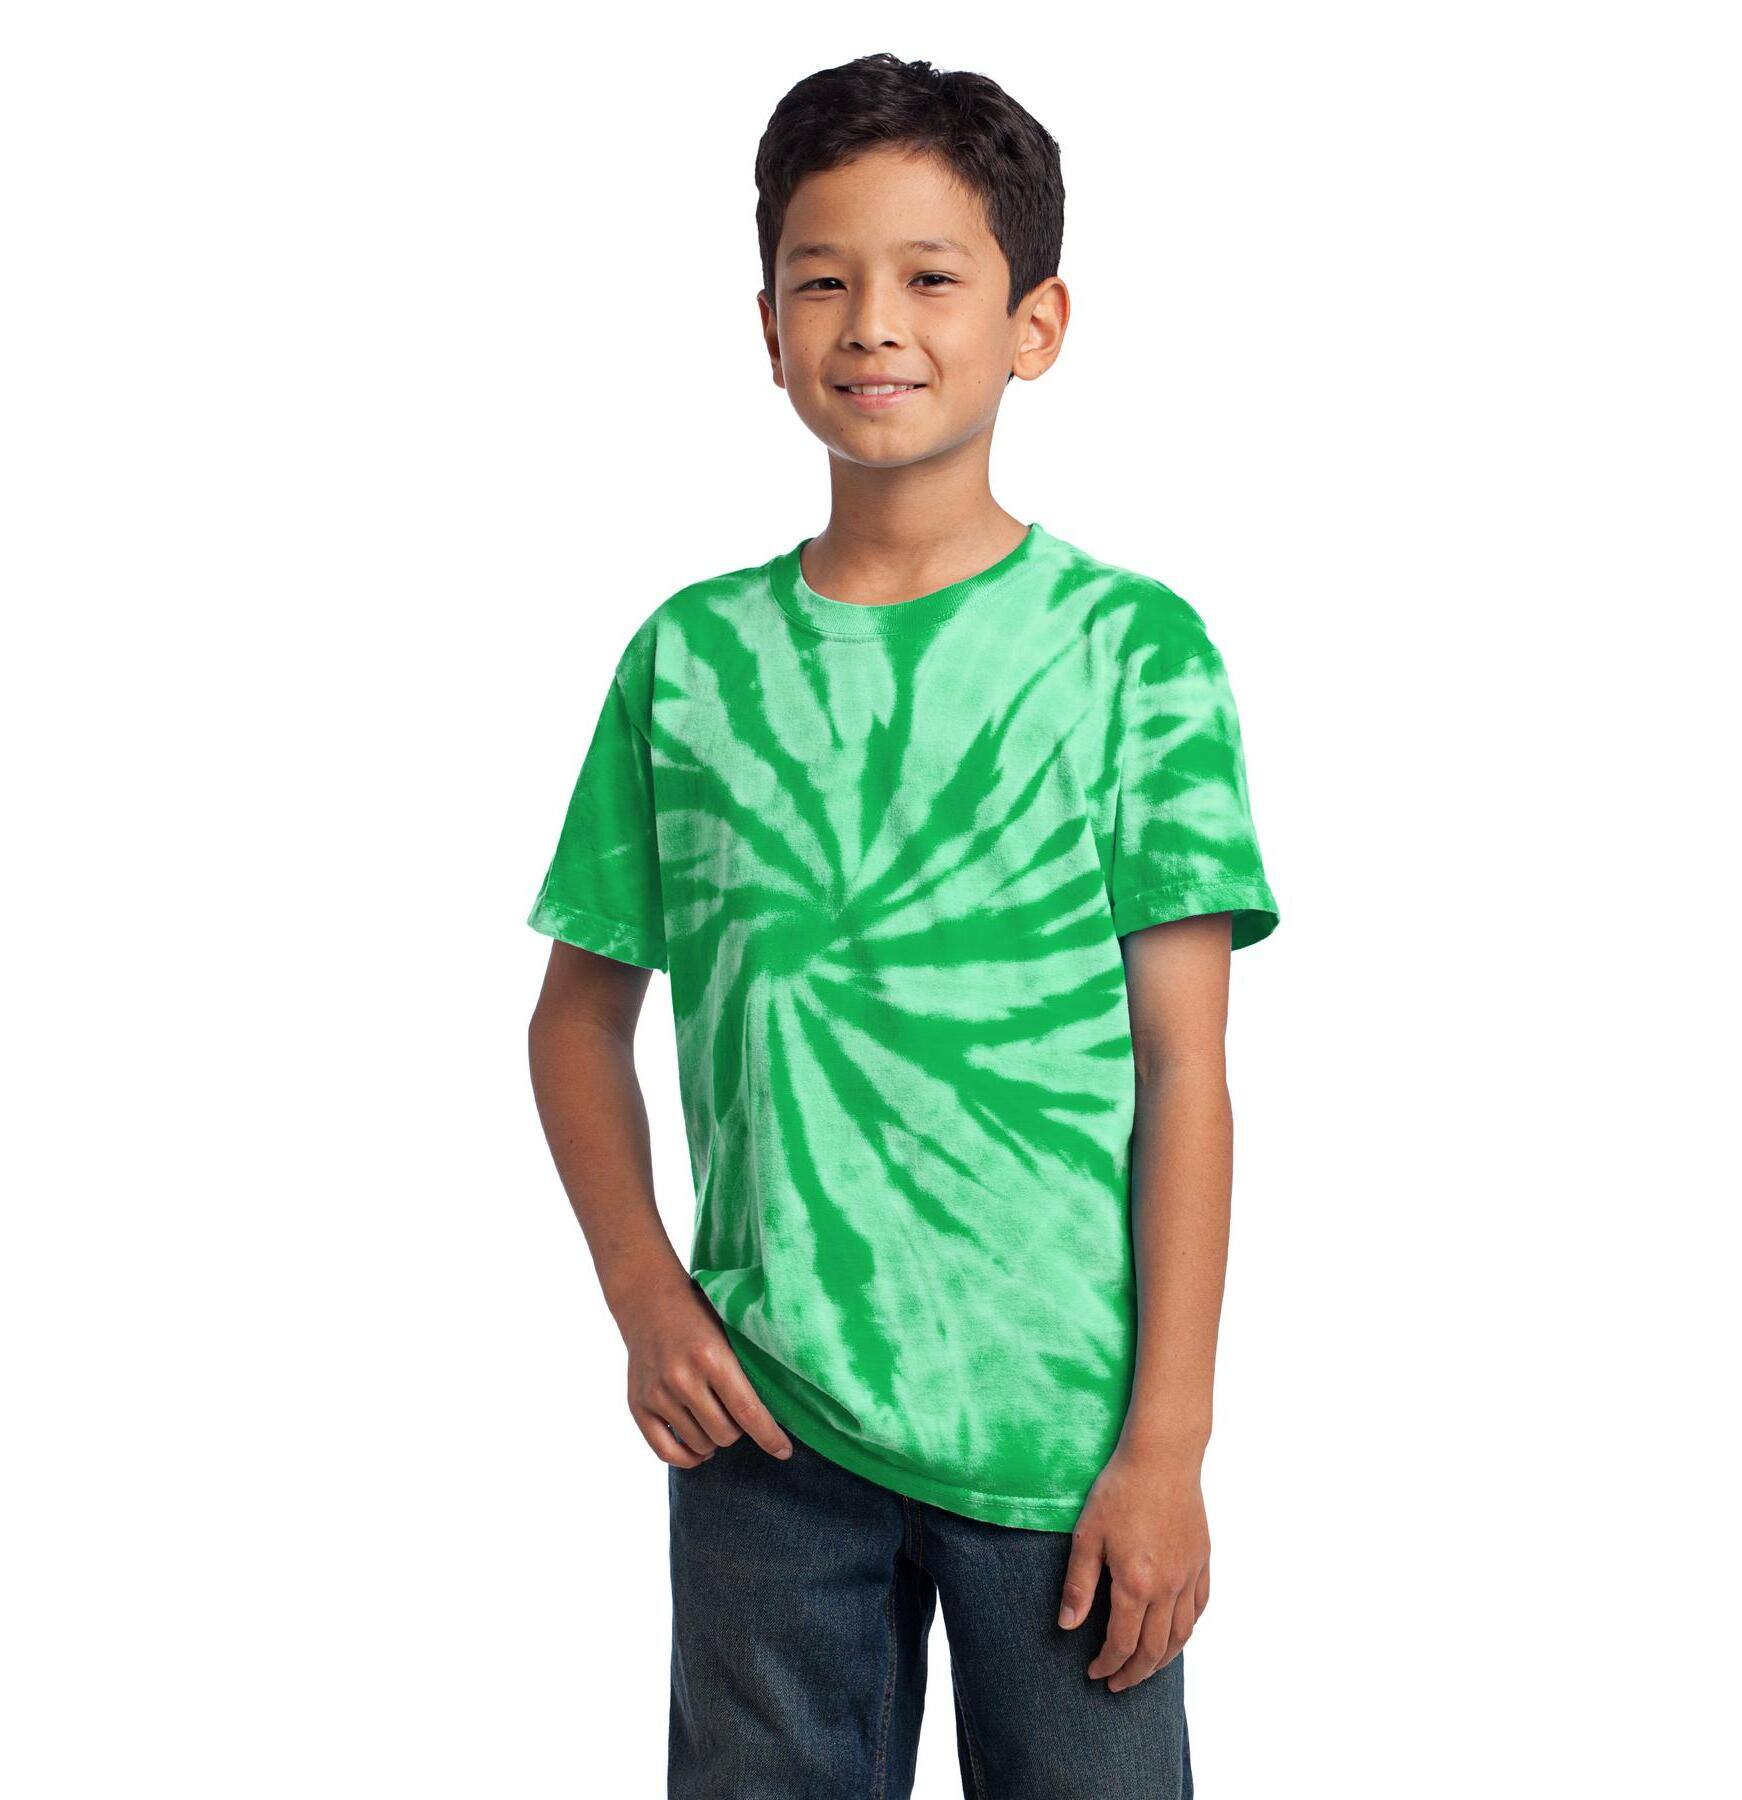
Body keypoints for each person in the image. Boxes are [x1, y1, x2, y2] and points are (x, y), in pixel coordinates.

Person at [525, 51, 1281, 1799]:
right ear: (767, 324)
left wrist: (1168, 1444)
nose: (873, 323)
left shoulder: (1134, 657)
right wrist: (644, 1294)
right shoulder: (689, 661)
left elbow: (1186, 1070)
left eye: (933, 277)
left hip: (1063, 1448)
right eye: (823, 281)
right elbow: (576, 1018)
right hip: (765, 1426)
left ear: (1035, 323)